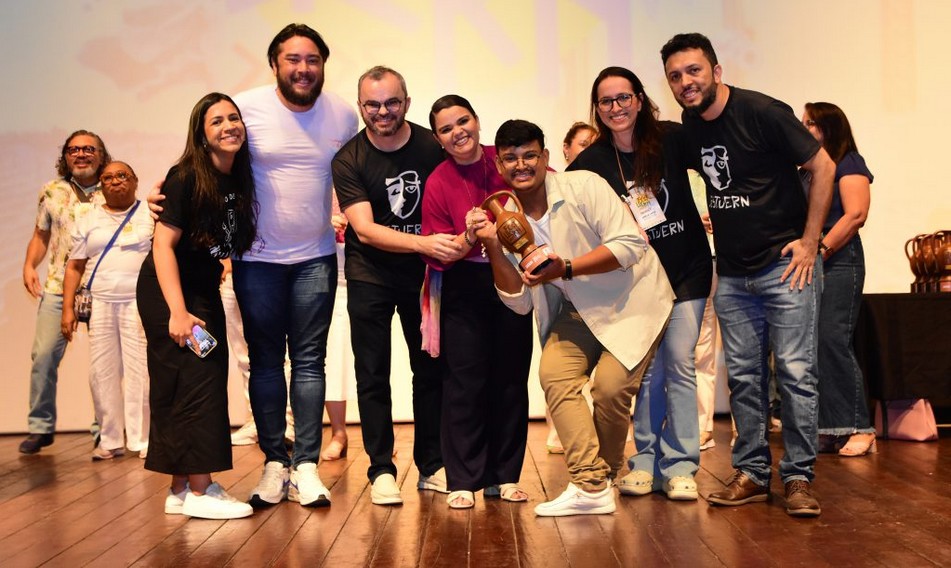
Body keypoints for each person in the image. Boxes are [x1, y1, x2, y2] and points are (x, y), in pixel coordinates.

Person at [661, 32, 835, 517]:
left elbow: (823, 167)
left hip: (786, 267)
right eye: (675, 76)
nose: (685, 82)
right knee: (743, 378)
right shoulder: (690, 125)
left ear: (716, 71)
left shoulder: (762, 111)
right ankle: (754, 474)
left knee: (796, 374)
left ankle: (798, 478)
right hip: (734, 274)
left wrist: (810, 241)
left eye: (694, 70)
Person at [472, 119, 673, 516]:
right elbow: (519, 303)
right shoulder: (507, 220)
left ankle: (599, 480)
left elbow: (630, 245)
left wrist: (565, 268)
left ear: (545, 157)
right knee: (555, 374)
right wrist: (493, 245)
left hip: (632, 301)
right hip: (576, 311)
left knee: (610, 390)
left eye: (530, 155)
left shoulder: (584, 185)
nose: (521, 165)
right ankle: (591, 484)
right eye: (510, 158)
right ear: (499, 166)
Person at [568, 66, 712, 501]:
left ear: (639, 99)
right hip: (638, 282)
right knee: (646, 374)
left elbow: (719, 163)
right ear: (597, 108)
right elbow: (560, 200)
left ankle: (681, 465)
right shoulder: (592, 161)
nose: (616, 107)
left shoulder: (672, 138)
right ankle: (644, 461)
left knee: (680, 364)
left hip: (686, 271)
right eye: (606, 101)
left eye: (624, 98)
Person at [231, 23, 358, 508]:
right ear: (274, 64)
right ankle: (273, 464)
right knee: (265, 362)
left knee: (309, 362)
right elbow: (210, 163)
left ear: (323, 64)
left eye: (312, 60)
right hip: (256, 260)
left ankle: (305, 465)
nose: (303, 69)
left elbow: (355, 177)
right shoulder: (245, 108)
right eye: (293, 59)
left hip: (316, 259)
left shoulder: (342, 113)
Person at [332, 66, 456, 505]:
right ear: (361, 105)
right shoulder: (348, 159)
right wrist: (424, 242)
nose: (382, 111)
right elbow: (364, 230)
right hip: (370, 276)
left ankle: (432, 465)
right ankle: (381, 469)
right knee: (372, 373)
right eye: (372, 104)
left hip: (424, 276)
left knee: (430, 371)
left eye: (391, 102)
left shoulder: (432, 146)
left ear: (407, 102)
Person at [137, 92, 256, 519]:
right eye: (216, 121)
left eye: (233, 118)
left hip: (200, 290)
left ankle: (180, 487)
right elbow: (163, 246)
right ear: (202, 135)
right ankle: (203, 492)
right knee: (199, 382)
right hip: (172, 292)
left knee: (182, 382)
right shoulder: (186, 176)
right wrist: (177, 311)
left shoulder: (236, 178)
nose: (229, 126)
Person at [421, 95, 533, 509]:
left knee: (511, 376)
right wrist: (468, 236)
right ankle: (464, 479)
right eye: (446, 129)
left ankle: (505, 476)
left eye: (463, 121)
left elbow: (543, 189)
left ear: (477, 120)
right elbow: (438, 252)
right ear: (438, 139)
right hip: (464, 284)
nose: (458, 132)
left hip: (513, 277)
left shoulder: (503, 160)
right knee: (464, 381)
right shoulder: (438, 181)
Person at [20, 130, 110, 454]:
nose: (81, 154)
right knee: (43, 356)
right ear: (65, 156)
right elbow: (41, 235)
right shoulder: (51, 191)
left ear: (101, 155)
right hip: (59, 287)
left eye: (88, 149)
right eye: (74, 149)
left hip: (102, 287)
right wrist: (29, 265)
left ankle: (105, 430)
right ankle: (40, 427)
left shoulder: (113, 188)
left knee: (103, 363)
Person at [62, 161, 153, 461]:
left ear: (135, 180)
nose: (116, 181)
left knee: (140, 372)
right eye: (108, 177)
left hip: (138, 302)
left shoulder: (149, 213)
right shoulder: (88, 218)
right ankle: (110, 439)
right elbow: (74, 266)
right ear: (101, 184)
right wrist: (67, 309)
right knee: (101, 372)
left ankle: (141, 439)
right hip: (100, 303)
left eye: (122, 176)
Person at [801, 102, 874, 457]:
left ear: (828, 127)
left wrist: (822, 249)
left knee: (833, 339)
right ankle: (831, 427)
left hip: (840, 259)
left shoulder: (849, 161)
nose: (803, 128)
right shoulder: (807, 169)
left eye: (809, 123)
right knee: (814, 344)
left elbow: (856, 214)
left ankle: (859, 427)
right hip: (813, 259)